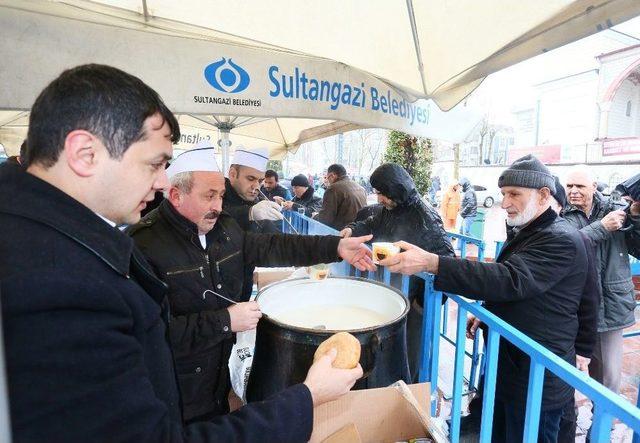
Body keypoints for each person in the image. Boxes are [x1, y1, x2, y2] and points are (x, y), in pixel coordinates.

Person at [0, 63, 368, 442]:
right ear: (85, 153)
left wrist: (335, 246)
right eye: (155, 164)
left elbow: (272, 245)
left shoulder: (66, 240)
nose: (161, 181)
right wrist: (307, 398)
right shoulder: (53, 284)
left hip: (206, 384)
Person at [129, 146, 375, 423]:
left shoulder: (224, 227)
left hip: (218, 376)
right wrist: (225, 321)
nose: (218, 207)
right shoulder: (143, 245)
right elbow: (149, 336)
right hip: (172, 389)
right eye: (209, 196)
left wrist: (336, 247)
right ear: (175, 195)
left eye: (221, 196)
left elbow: (275, 246)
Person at [379, 155, 590, 443]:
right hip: (513, 363)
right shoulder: (530, 230)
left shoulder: (561, 238)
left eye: (514, 194)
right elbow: (523, 286)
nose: (504, 203)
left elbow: (511, 279)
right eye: (503, 194)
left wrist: (433, 263)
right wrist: (488, 311)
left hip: (537, 374)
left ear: (543, 196)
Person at [340, 163, 455, 382]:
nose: (379, 199)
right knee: (390, 350)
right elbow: (372, 223)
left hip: (415, 301)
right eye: (377, 193)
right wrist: (354, 229)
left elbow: (447, 262)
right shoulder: (392, 208)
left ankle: (407, 393)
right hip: (393, 293)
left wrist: (420, 305)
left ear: (396, 189)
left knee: (409, 354)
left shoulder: (426, 218)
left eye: (382, 193)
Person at [562, 166, 640, 424]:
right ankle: (565, 430)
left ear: (593, 186)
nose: (573, 192)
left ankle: (600, 431)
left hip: (612, 308)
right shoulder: (559, 214)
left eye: (580, 187)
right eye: (569, 186)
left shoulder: (617, 210)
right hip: (570, 309)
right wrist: (601, 227)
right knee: (563, 380)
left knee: (609, 383)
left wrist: (637, 217)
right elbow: (562, 248)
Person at [224, 148, 283, 298]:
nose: (257, 186)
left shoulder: (254, 200)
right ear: (232, 174)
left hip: (245, 279)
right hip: (219, 286)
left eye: (260, 181)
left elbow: (272, 236)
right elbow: (218, 216)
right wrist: (249, 213)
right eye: (250, 179)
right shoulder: (218, 193)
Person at [315, 163, 367, 230]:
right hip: (357, 230)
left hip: (341, 233)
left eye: (327, 178)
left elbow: (326, 219)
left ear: (332, 176)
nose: (327, 181)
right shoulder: (360, 187)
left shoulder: (333, 189)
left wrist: (315, 216)